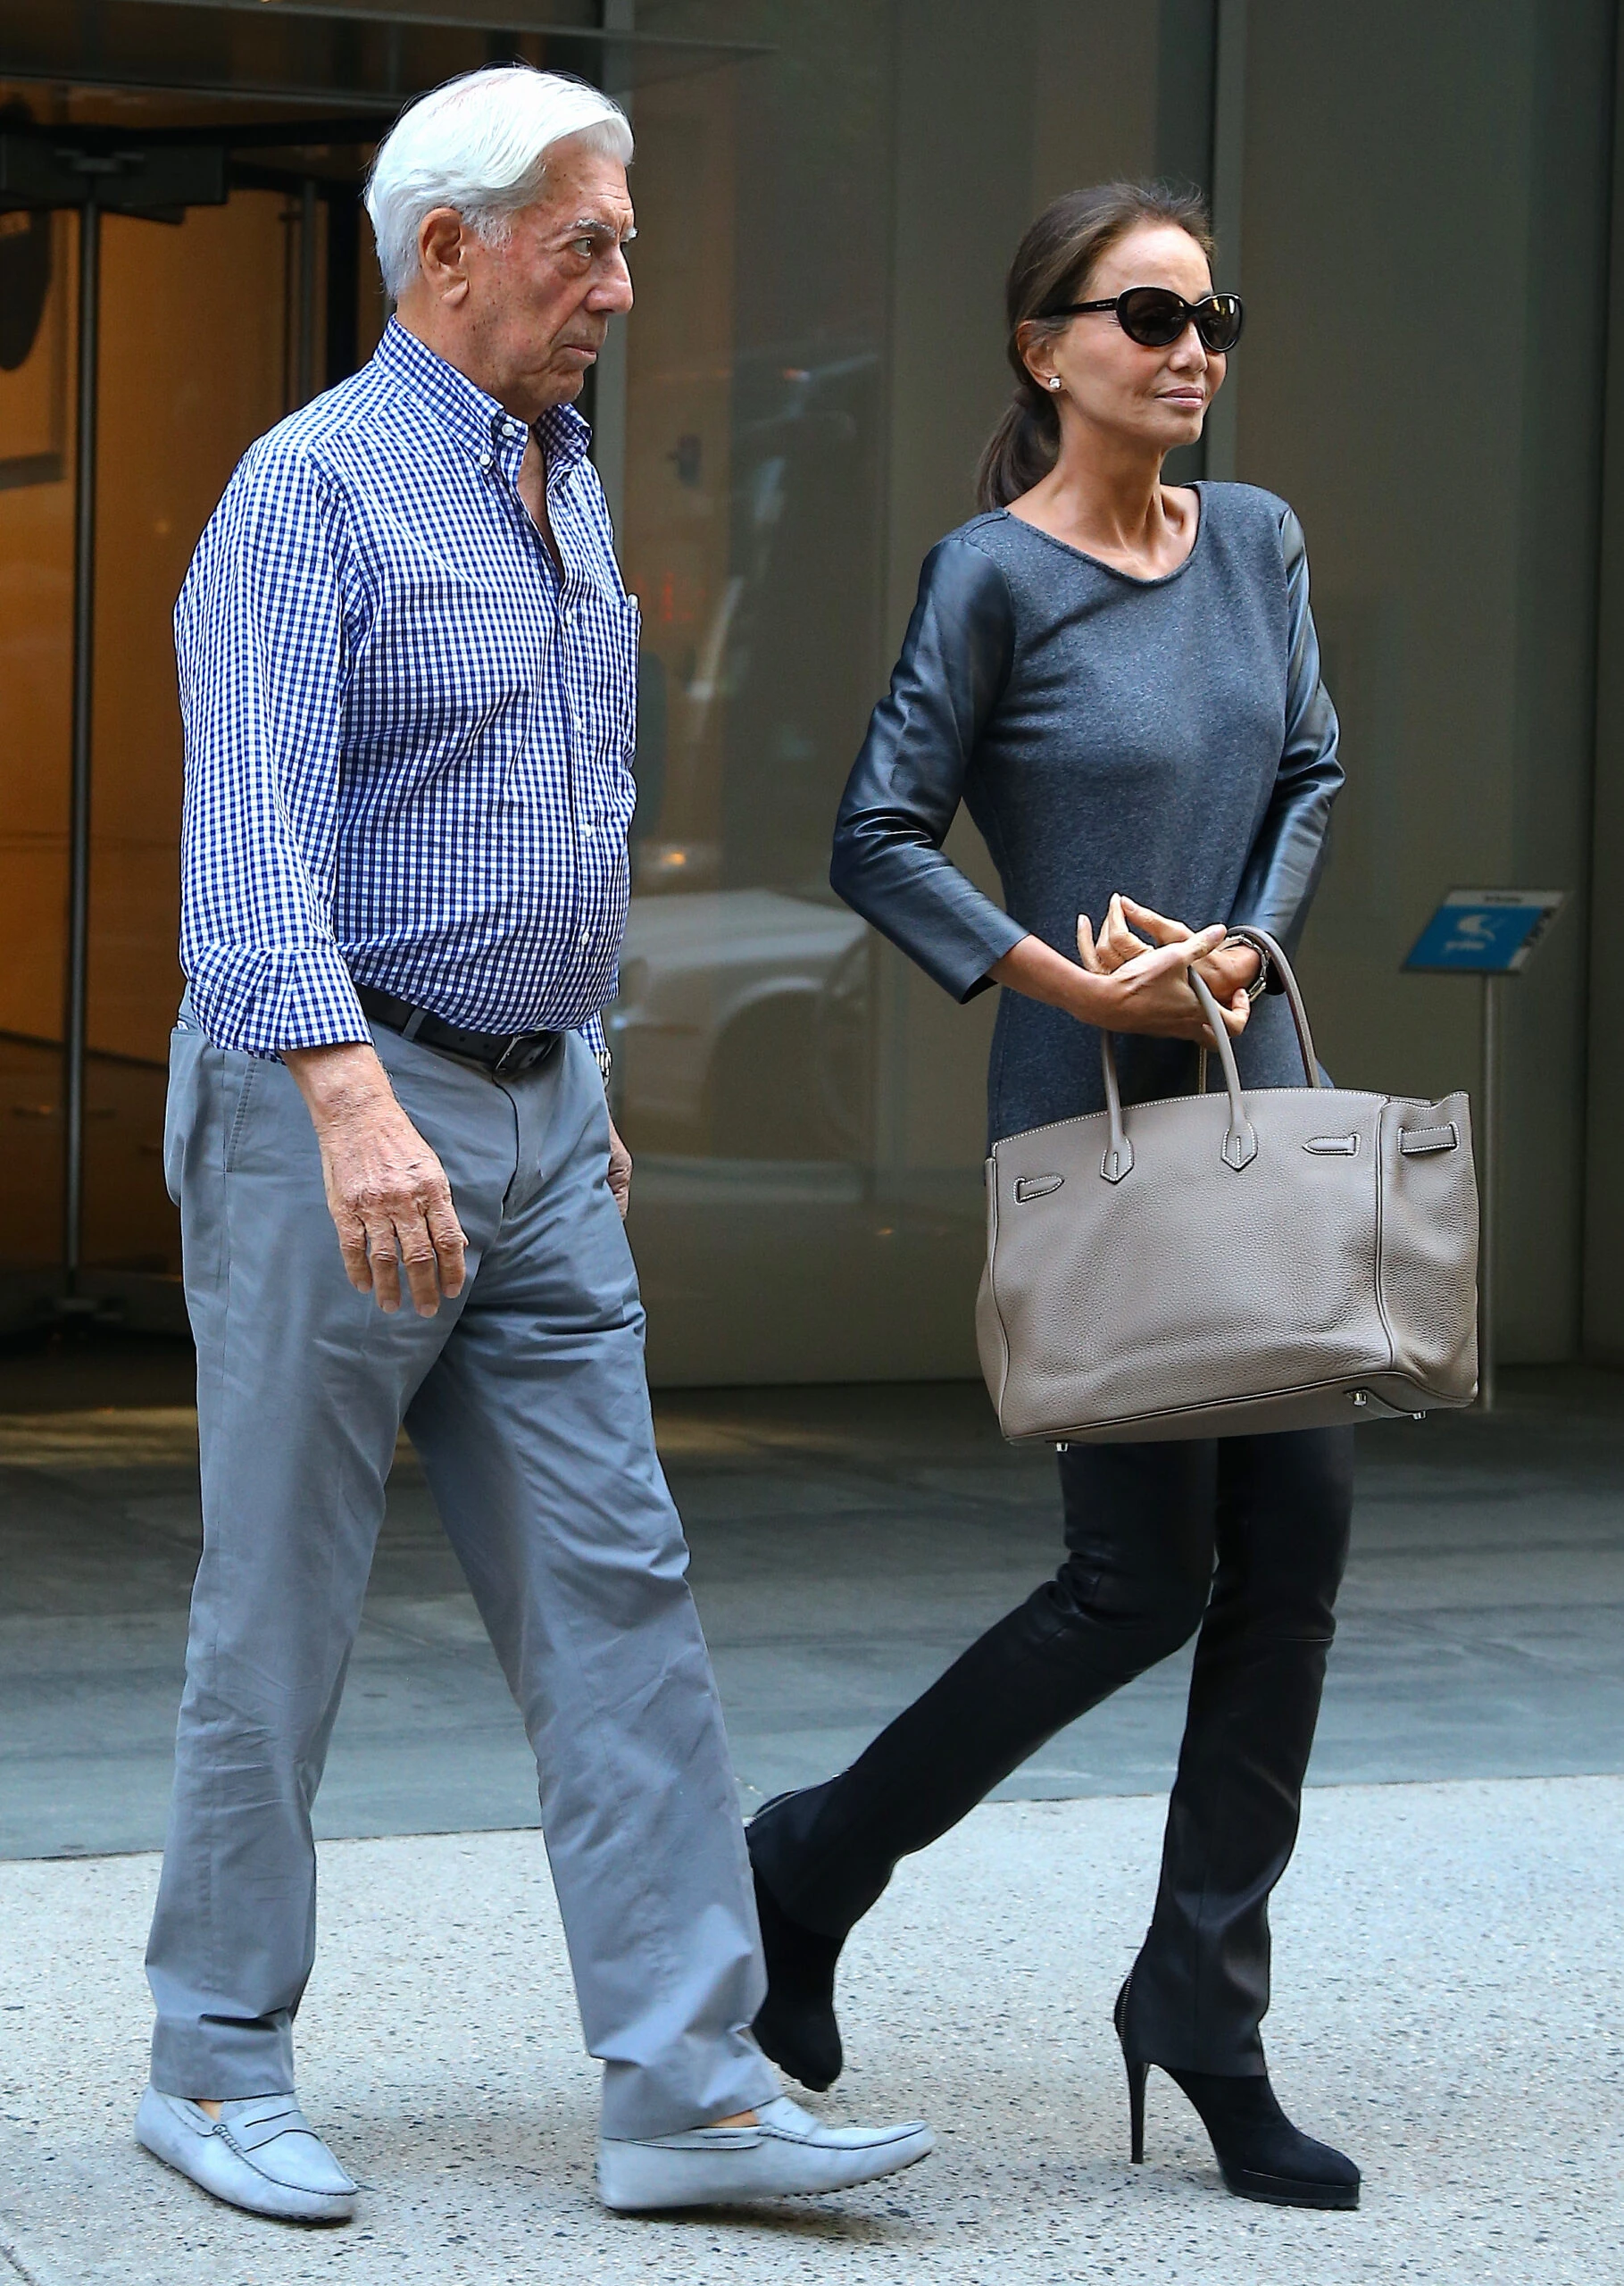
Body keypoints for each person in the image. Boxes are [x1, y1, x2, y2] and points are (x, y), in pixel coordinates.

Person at [135, 64, 933, 2225]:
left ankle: (687, 2084)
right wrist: (356, 1103)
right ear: (448, 250)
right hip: (335, 1101)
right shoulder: (308, 492)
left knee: (619, 1577)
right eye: (588, 244)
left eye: (626, 245)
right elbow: (251, 852)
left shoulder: (561, 473)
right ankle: (213, 2062)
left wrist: (573, 1070)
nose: (624, 287)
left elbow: (556, 805)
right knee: (281, 1598)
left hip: (540, 1112)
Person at [745, 181, 1362, 2213]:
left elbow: (1308, 771)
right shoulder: (991, 576)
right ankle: (813, 1859)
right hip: (1092, 1112)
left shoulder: (1254, 540)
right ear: (1045, 348)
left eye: (1212, 317)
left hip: (1253, 1094)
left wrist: (1249, 940)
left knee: (1296, 1547)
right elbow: (875, 831)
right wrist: (1064, 978)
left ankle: (1204, 2002)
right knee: (1136, 1580)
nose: (1192, 350)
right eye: (1147, 314)